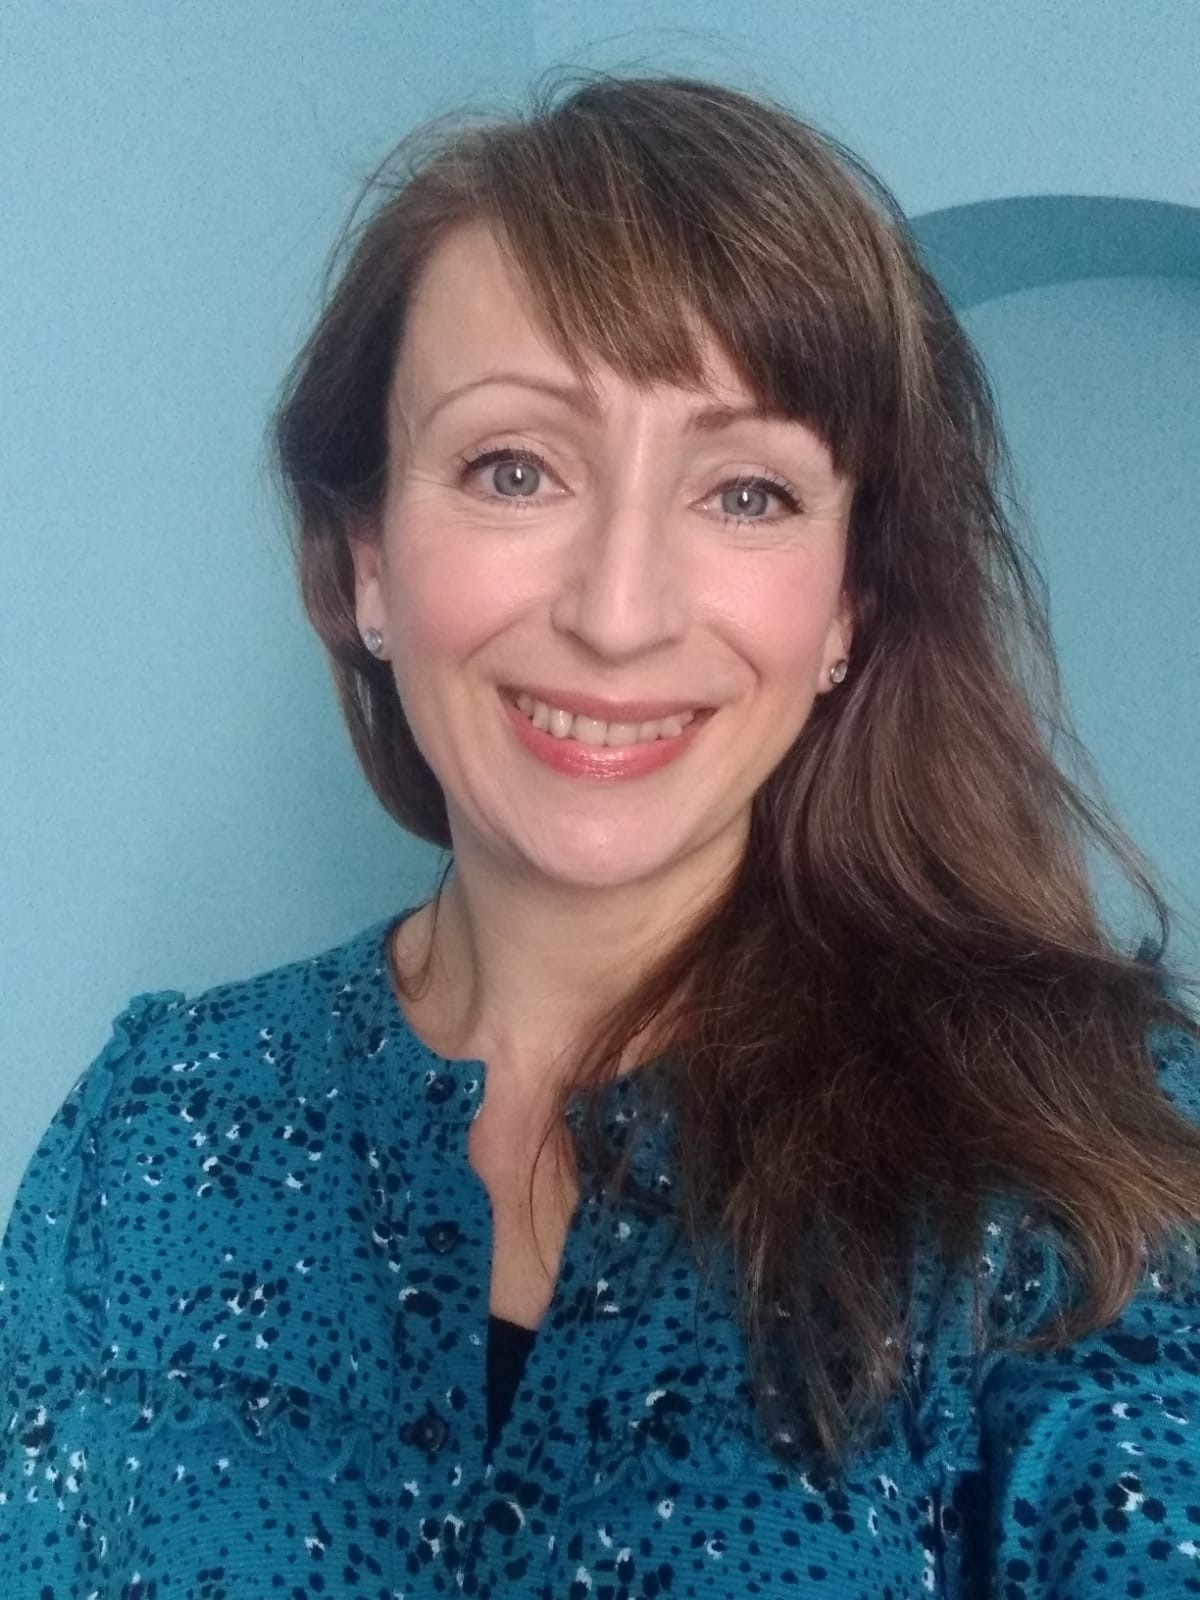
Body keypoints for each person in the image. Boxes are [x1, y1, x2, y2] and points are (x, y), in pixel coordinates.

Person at [2, 69, 1198, 1600]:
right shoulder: (149, 1130)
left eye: (747, 492)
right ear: (365, 560)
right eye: (514, 470)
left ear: (849, 603)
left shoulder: (1085, 1159)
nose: (618, 615)